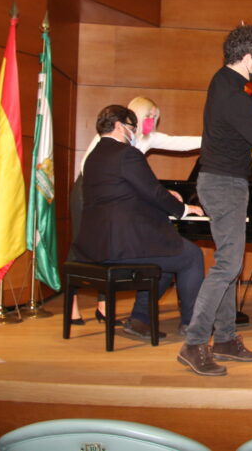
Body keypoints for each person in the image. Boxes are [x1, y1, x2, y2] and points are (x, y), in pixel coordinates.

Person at [177, 24, 252, 376]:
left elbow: (243, 109)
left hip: (222, 183)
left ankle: (226, 339)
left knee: (230, 265)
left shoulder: (224, 81)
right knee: (227, 267)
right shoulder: (232, 95)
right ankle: (194, 343)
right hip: (226, 186)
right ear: (246, 58)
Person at [71, 105, 206, 340]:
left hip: (97, 244)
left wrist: (162, 199)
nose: (134, 133)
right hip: (121, 245)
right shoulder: (127, 153)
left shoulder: (93, 157)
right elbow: (152, 192)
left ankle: (140, 320)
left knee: (164, 256)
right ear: (119, 126)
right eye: (132, 127)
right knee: (191, 256)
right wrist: (183, 209)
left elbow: (129, 192)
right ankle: (192, 325)